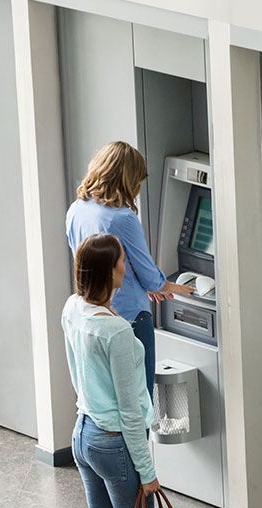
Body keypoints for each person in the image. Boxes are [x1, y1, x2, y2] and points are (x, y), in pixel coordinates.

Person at [62, 232, 170, 508]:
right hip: (116, 445)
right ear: (112, 271)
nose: (127, 265)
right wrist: (148, 475)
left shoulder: (73, 309)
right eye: (122, 259)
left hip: (84, 434)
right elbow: (130, 412)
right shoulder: (116, 331)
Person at [66, 141, 193, 397]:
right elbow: (148, 272)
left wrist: (147, 284)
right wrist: (165, 285)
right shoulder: (123, 218)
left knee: (104, 395)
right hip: (130, 318)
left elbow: (92, 262)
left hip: (92, 312)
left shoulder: (76, 210)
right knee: (138, 399)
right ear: (127, 179)